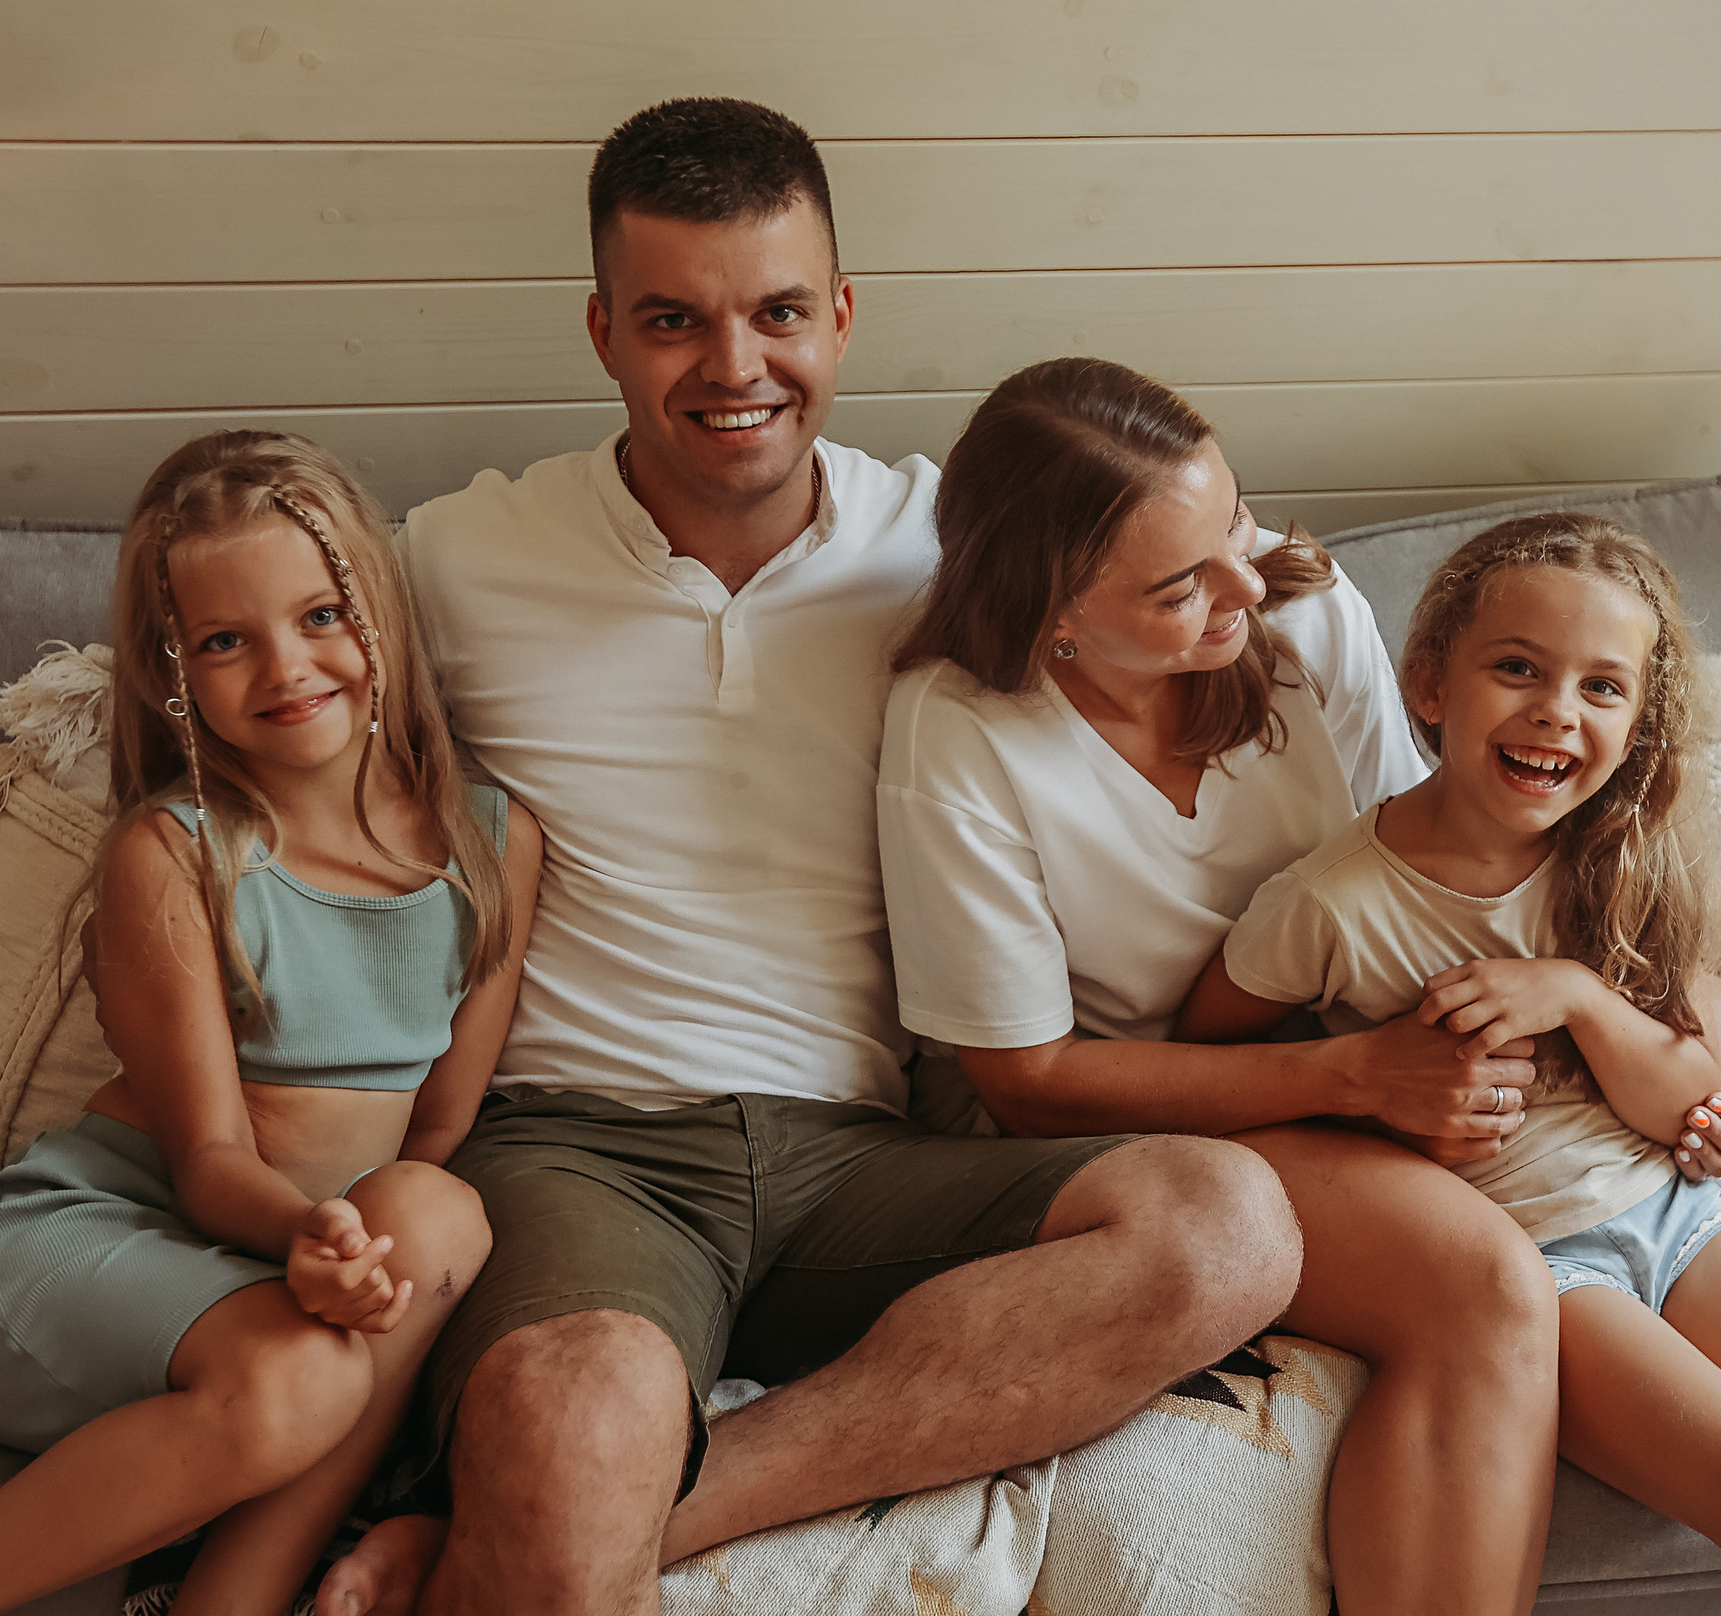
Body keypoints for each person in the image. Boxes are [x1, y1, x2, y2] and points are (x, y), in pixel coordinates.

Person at [319, 99, 1301, 1616]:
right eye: (672, 320)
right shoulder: (456, 558)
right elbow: (268, 762)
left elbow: (1233, 600)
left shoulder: (957, 553)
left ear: (840, 317)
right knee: (585, 1398)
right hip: (587, 1149)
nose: (734, 367)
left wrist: (1637, 967)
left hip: (867, 1155)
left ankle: (602, 1513)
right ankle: (574, 1475)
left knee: (1226, 1227)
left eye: (779, 311)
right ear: (602, 333)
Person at [877, 357, 1721, 1614]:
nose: (1248, 583)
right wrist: (1354, 1077)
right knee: (1485, 1278)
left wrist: (1704, 1017)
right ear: (1053, 606)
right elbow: (1022, 1085)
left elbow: (1456, 844)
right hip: (1105, 1117)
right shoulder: (957, 737)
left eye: (1233, 521)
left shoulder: (1293, 610)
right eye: (1182, 585)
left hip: (1336, 1073)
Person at [1180, 512, 1721, 1616]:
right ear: (1428, 684)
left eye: (1601, 688)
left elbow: (1688, 1099)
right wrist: (1372, 1097)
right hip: (1542, 1264)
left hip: (1682, 1219)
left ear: (1635, 724)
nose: (1555, 711)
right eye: (1518, 669)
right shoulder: (1331, 902)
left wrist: (1576, 996)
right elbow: (1206, 1073)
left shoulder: (1617, 857)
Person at [0, 432, 541, 1616]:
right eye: (227, 641)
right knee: (299, 1374)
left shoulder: (491, 845)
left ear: (381, 614)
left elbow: (438, 1133)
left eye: (319, 616)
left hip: (292, 1287)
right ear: (174, 669)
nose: (287, 667)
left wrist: (349, 1261)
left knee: (441, 1210)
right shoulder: (172, 852)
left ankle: (231, 1595)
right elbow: (204, 1162)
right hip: (98, 1247)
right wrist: (309, 1234)